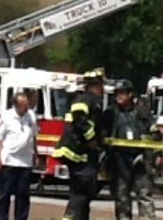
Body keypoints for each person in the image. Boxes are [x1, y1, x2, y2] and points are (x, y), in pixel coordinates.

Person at [52, 69, 105, 220]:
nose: (101, 88)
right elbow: (79, 119)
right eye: (99, 84)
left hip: (82, 154)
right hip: (78, 153)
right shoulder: (85, 99)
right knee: (81, 192)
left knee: (85, 192)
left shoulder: (89, 99)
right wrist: (92, 139)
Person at [102, 78, 157, 219]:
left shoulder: (142, 112)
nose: (119, 96)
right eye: (117, 93)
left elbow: (155, 133)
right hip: (119, 162)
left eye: (122, 93)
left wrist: (156, 154)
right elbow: (102, 136)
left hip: (140, 160)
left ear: (130, 94)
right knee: (121, 198)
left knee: (145, 196)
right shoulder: (110, 114)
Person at [0, 91, 38, 220]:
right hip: (9, 160)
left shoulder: (31, 116)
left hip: (25, 161)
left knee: (23, 194)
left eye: (27, 103)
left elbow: (34, 136)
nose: (26, 106)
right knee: (5, 193)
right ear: (16, 105)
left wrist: (35, 154)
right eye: (24, 104)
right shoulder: (7, 116)